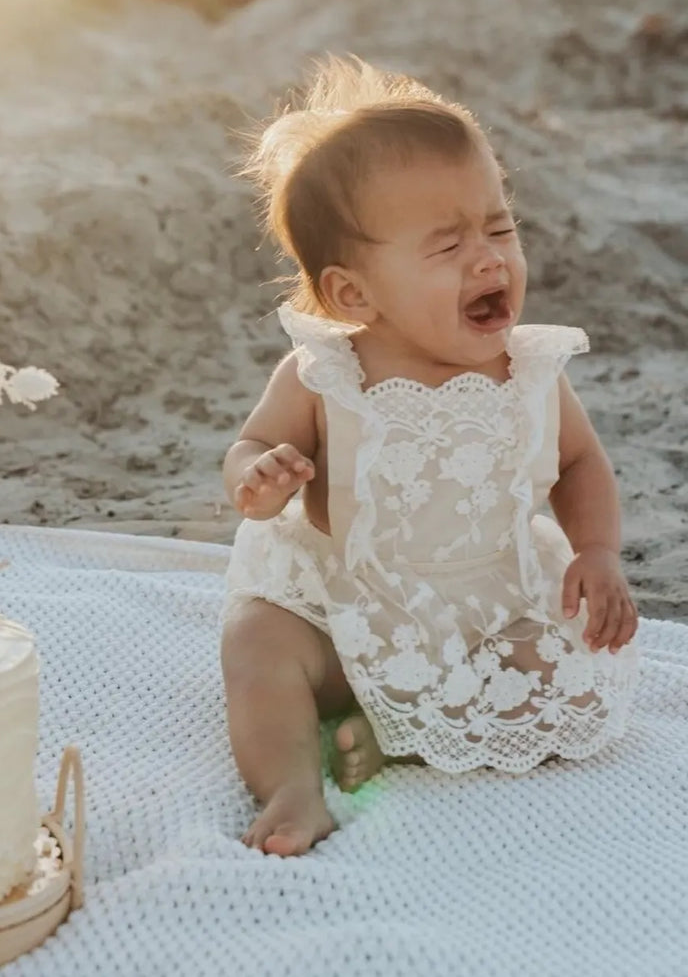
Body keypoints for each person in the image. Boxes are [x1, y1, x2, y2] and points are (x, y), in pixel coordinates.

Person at [220, 57, 640, 857]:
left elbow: (580, 462)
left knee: (552, 677)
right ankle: (291, 785)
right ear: (353, 295)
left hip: (484, 606)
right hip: (340, 607)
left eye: (501, 228)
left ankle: (395, 731)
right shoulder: (325, 374)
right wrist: (260, 474)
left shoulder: (527, 371)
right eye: (448, 245)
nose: (489, 260)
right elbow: (248, 444)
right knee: (256, 643)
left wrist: (596, 550)